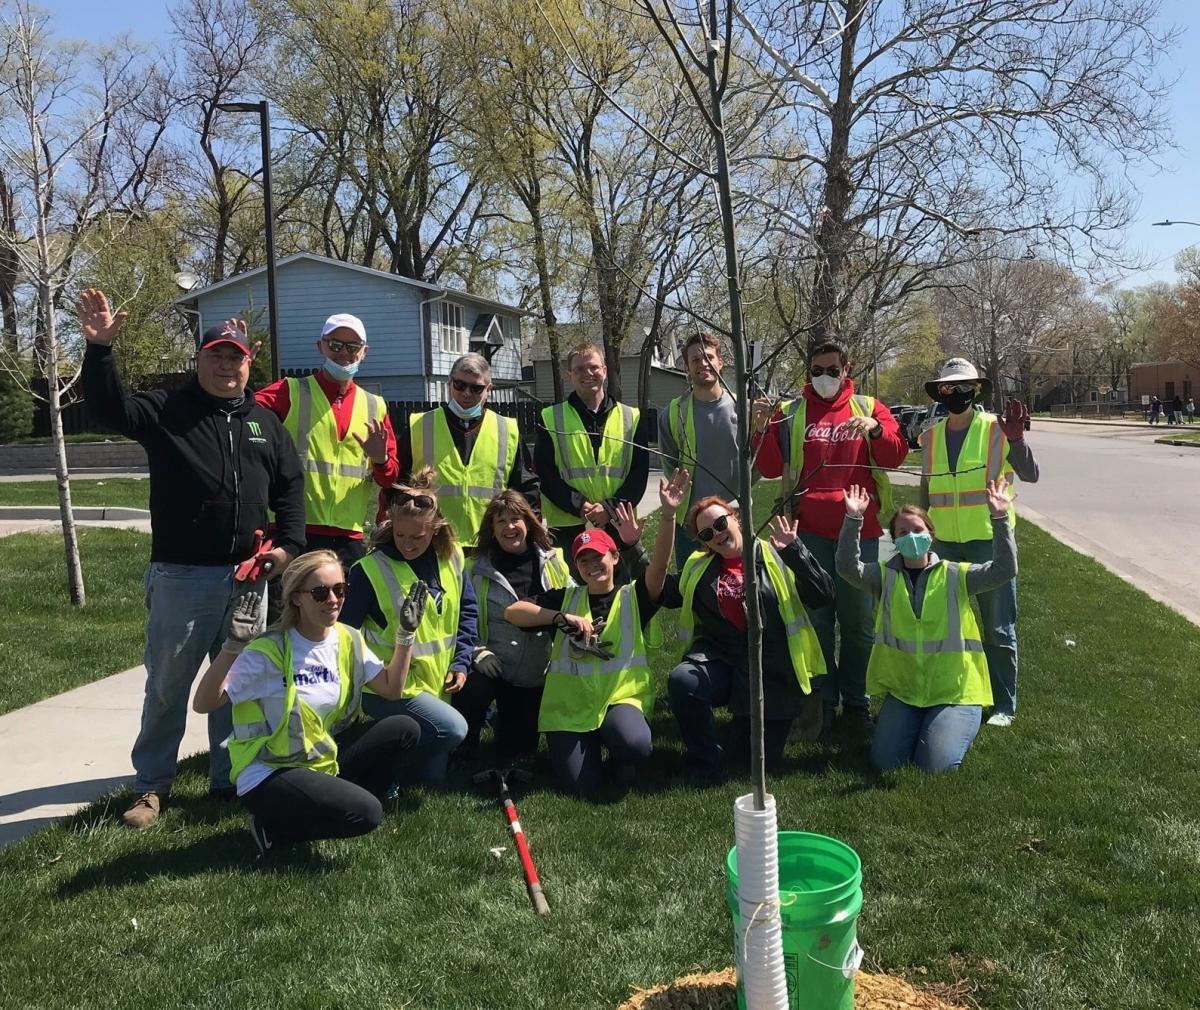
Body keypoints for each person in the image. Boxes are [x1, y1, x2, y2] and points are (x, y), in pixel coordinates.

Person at [79, 290, 305, 830]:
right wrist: (100, 351)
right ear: (199, 360)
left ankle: (230, 777)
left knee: (235, 684)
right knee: (168, 685)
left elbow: (291, 488)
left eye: (236, 357)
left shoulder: (263, 422)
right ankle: (152, 786)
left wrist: (287, 547)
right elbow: (109, 409)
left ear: (250, 364)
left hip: (250, 578)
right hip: (183, 576)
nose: (227, 365)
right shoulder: (168, 409)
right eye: (216, 355)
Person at [191, 550, 424, 852]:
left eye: (340, 589)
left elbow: (392, 690)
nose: (333, 599)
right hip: (269, 770)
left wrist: (406, 634)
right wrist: (233, 647)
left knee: (404, 728)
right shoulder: (270, 651)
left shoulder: (347, 638)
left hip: (315, 760)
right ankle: (274, 828)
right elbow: (203, 703)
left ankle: (323, 807)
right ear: (297, 598)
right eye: (320, 592)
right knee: (368, 814)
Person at [750, 339, 908, 737]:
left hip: (860, 534)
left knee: (857, 625)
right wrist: (762, 426)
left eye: (832, 370)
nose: (824, 378)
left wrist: (874, 431)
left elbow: (895, 456)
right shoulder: (790, 413)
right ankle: (822, 702)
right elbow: (768, 467)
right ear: (808, 371)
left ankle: (856, 702)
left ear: (846, 368)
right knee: (817, 623)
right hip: (808, 537)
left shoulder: (870, 408)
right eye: (817, 370)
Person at [505, 469, 688, 796]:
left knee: (634, 744)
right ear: (576, 566)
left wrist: (668, 516)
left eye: (598, 556)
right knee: (583, 787)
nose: (591, 565)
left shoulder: (633, 597)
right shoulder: (567, 598)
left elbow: (658, 569)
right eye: (583, 560)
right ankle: (585, 748)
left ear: (615, 557)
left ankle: (622, 755)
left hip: (620, 700)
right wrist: (559, 617)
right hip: (571, 710)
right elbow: (513, 611)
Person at [837, 482, 1016, 772]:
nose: (911, 537)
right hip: (907, 691)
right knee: (884, 762)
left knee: (935, 765)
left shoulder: (956, 576)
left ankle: (955, 723)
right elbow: (847, 568)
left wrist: (999, 519)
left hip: (954, 691)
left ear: (931, 535)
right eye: (903, 533)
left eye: (918, 530)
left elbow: (1004, 570)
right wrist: (853, 519)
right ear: (893, 540)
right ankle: (923, 723)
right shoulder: (884, 577)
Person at [662, 498, 833, 779]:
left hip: (773, 671)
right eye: (707, 534)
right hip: (724, 661)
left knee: (755, 764)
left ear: (736, 518)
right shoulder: (699, 568)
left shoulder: (776, 555)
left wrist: (795, 551)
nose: (717, 534)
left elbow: (823, 595)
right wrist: (633, 548)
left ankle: (749, 724)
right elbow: (660, 591)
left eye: (720, 523)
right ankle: (705, 761)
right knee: (684, 680)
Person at [918, 358, 1039, 727]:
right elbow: (926, 487)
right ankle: (950, 691)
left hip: (988, 541)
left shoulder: (996, 429)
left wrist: (1017, 440)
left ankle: (1004, 705)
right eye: (949, 389)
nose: (956, 394)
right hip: (944, 546)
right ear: (941, 393)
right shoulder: (931, 436)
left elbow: (1030, 475)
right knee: (943, 625)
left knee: (998, 628)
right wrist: (922, 533)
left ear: (977, 391)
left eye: (963, 388)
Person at [340, 467, 475, 783]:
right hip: (390, 689)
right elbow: (344, 637)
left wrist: (462, 661)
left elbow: (467, 611)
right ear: (390, 526)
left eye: (419, 537)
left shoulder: (452, 556)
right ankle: (372, 763)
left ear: (436, 529)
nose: (408, 544)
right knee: (454, 729)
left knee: (430, 781)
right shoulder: (369, 570)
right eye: (400, 535)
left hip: (438, 687)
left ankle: (391, 763)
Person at [255, 313, 399, 577]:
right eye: (335, 345)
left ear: (364, 352)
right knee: (290, 615)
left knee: (340, 617)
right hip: (295, 531)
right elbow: (240, 412)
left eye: (353, 347)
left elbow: (390, 479)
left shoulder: (374, 405)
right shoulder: (291, 391)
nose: (344, 352)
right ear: (320, 346)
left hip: (349, 537)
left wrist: (380, 460)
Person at [452, 491, 573, 763]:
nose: (510, 527)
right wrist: (476, 652)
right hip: (493, 668)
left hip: (538, 672)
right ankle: (464, 743)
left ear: (528, 523)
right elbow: (458, 619)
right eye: (501, 521)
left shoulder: (554, 563)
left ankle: (505, 722)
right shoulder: (473, 569)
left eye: (516, 519)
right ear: (491, 530)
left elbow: (575, 604)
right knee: (472, 689)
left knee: (519, 751)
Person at [535, 341, 650, 577]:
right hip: (569, 526)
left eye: (594, 367)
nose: (588, 374)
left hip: (619, 524)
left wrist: (610, 508)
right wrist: (578, 505)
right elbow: (545, 472)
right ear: (569, 375)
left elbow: (639, 472)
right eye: (579, 369)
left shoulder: (632, 417)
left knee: (623, 597)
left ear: (605, 371)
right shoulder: (550, 418)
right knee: (573, 597)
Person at [403, 352, 539, 548]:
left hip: (491, 545)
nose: (466, 393)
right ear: (449, 383)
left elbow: (527, 490)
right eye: (460, 385)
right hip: (432, 544)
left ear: (488, 389)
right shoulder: (419, 425)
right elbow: (399, 486)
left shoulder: (506, 429)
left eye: (476, 388)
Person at [659, 331, 742, 565]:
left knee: (739, 590)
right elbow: (670, 466)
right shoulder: (673, 414)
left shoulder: (742, 409)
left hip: (735, 519)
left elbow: (753, 465)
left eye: (709, 357)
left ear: (720, 362)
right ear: (687, 367)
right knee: (695, 593)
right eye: (695, 360)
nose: (703, 364)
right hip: (691, 525)